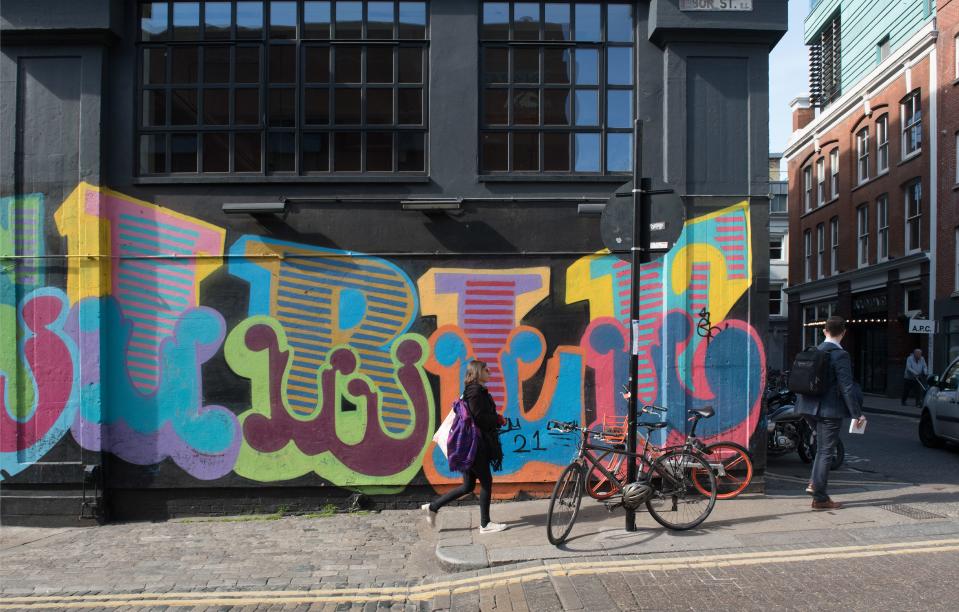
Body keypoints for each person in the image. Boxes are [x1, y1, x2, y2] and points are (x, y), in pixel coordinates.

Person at [422, 360, 507, 533]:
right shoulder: (476, 392)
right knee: (486, 482)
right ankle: (485, 524)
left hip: (471, 446)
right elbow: (478, 418)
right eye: (486, 369)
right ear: (477, 372)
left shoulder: (472, 391)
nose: (489, 371)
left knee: (468, 486)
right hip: (475, 446)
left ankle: (433, 507)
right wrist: (497, 419)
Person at [795, 316, 867, 511]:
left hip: (807, 408)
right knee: (826, 451)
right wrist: (857, 413)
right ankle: (819, 495)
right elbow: (846, 387)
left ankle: (815, 486)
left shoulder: (815, 351)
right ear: (843, 332)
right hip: (829, 410)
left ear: (825, 331)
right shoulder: (840, 355)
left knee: (822, 448)